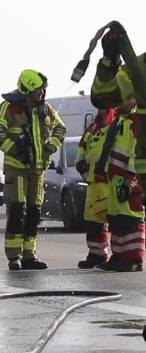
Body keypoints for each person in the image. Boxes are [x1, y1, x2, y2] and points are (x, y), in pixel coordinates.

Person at [0, 69, 66, 271]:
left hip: (38, 171)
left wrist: (51, 147)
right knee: (16, 211)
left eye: (43, 90)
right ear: (27, 90)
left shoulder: (46, 109)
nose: (42, 94)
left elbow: (61, 129)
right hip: (17, 170)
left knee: (34, 212)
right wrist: (15, 150)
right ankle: (14, 256)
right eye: (38, 90)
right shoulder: (9, 107)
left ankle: (29, 255)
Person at [89, 27, 145, 272]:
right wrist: (110, 59)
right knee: (120, 218)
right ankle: (123, 256)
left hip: (129, 176)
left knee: (129, 218)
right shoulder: (139, 69)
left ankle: (130, 258)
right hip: (124, 177)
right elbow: (102, 96)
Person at [75, 108, 116, 269]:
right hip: (93, 183)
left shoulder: (117, 124)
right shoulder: (93, 127)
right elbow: (82, 149)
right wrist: (82, 168)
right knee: (93, 221)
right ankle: (96, 254)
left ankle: (118, 255)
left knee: (115, 221)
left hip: (110, 182)